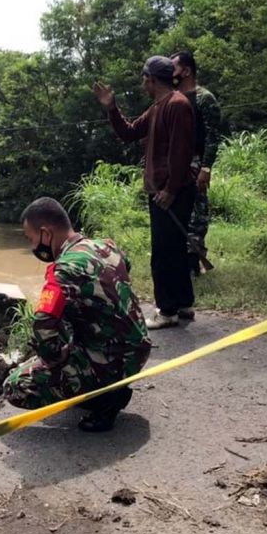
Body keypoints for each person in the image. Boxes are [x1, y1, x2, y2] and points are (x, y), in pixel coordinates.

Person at [3, 197, 151, 432]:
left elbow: (42, 325)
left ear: (46, 234)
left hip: (114, 361)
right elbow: (126, 267)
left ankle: (105, 400)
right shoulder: (105, 246)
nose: (33, 248)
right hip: (137, 351)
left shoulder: (63, 270)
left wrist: (54, 359)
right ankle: (100, 385)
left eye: (31, 239)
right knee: (69, 321)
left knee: (16, 386)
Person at [93, 56, 197, 329]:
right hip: (163, 190)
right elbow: (128, 133)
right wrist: (112, 109)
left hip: (170, 192)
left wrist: (170, 189)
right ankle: (184, 304)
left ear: (151, 79)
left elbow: (181, 151)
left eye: (144, 79)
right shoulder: (157, 108)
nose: (142, 84)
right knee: (174, 248)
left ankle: (167, 311)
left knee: (163, 251)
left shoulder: (177, 105)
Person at [171, 50, 223, 277]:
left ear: (186, 70)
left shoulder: (204, 99)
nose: (170, 72)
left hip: (196, 165)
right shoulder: (171, 98)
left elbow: (213, 136)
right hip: (175, 167)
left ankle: (193, 262)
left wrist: (205, 167)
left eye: (174, 67)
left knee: (197, 215)